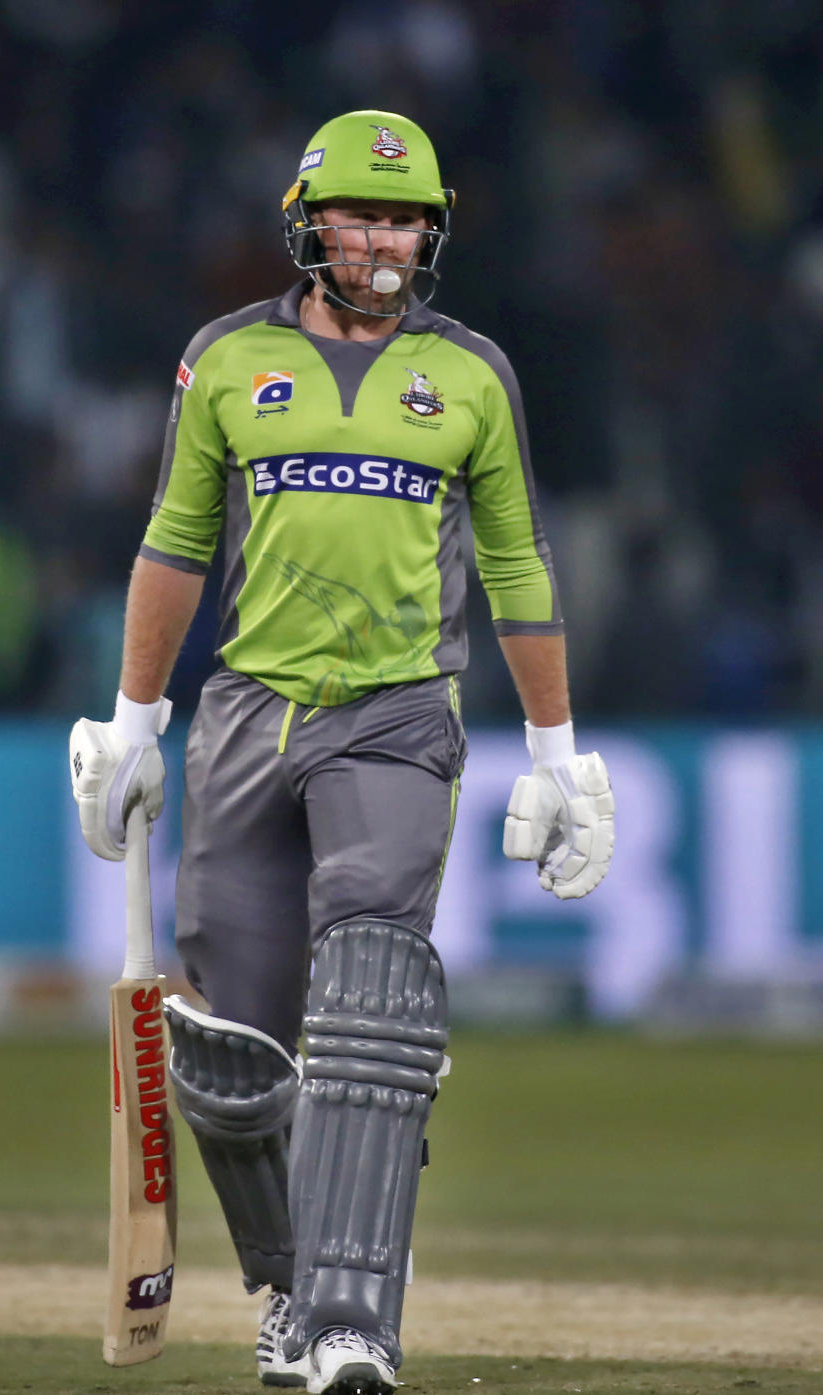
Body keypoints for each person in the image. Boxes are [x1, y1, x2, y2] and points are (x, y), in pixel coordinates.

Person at [70, 108, 614, 1395]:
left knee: (371, 989)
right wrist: (136, 724)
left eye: (405, 218)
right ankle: (292, 1294)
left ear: (434, 231)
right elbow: (175, 548)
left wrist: (558, 752)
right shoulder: (227, 361)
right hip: (250, 715)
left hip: (396, 715)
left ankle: (356, 1322)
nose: (382, 240)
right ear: (307, 223)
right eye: (361, 216)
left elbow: (520, 564)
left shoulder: (472, 374)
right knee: (226, 1053)